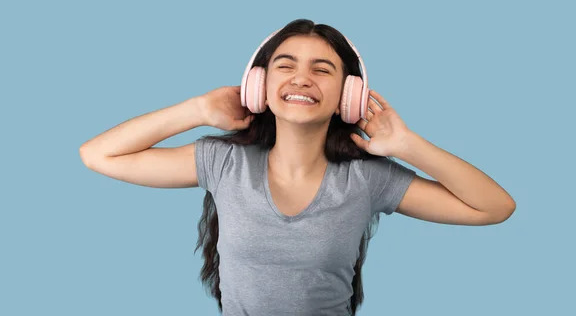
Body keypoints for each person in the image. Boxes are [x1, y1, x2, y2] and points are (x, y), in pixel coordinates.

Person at [80, 19, 516, 315]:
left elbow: (494, 207)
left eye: (321, 70)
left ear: (349, 96)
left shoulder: (367, 179)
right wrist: (196, 109)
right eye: (284, 66)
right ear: (259, 86)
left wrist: (408, 145)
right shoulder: (224, 162)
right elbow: (98, 154)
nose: (301, 78)